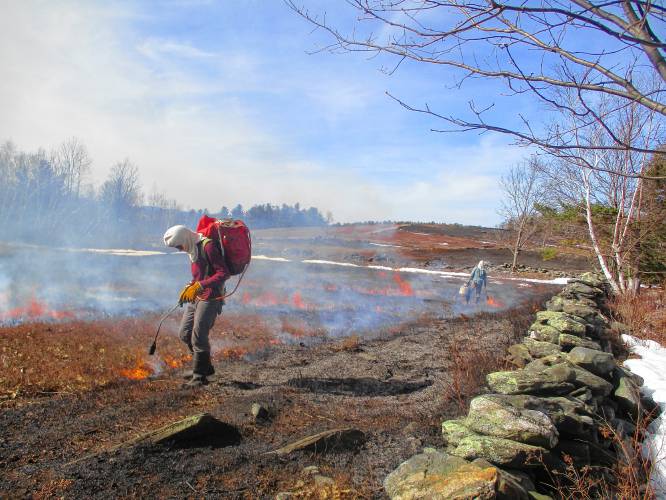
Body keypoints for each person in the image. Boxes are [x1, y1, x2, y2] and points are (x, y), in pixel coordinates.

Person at [164, 225, 229, 387]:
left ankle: (199, 376)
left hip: (212, 297)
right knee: (185, 334)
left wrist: (199, 286)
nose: (179, 250)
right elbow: (198, 275)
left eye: (179, 246)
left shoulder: (208, 246)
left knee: (198, 336)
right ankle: (205, 368)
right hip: (198, 296)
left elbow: (223, 273)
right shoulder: (192, 249)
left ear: (185, 238)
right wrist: (189, 288)